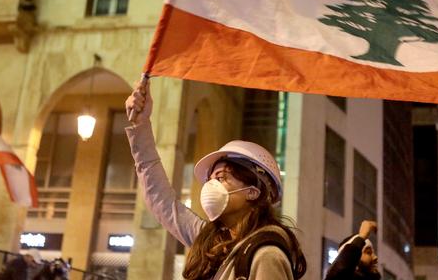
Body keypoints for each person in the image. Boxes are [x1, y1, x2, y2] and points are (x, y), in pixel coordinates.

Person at [125, 81, 306, 280]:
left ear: (253, 191)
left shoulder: (266, 255)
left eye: (221, 178)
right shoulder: (211, 240)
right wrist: (140, 125)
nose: (212, 186)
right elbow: (161, 199)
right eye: (210, 179)